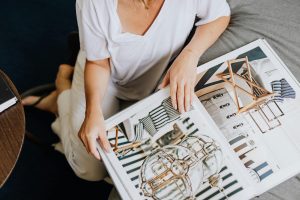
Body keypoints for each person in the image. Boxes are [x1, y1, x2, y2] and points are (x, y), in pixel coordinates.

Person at [23, 0, 230, 184]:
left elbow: (220, 14)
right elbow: (98, 63)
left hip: (151, 84)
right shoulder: (92, 3)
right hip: (105, 78)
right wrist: (92, 110)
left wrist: (190, 55)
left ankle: (66, 91)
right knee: (89, 170)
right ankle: (62, 91)